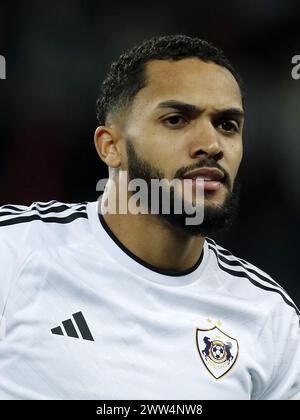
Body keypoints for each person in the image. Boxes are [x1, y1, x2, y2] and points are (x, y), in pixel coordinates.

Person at [0, 35, 299, 400]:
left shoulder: (270, 317)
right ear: (111, 147)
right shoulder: (14, 252)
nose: (212, 144)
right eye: (176, 119)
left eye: (227, 125)